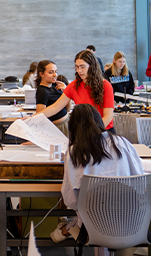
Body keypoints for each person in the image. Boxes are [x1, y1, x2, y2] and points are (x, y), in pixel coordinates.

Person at [50, 104, 144, 255]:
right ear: (99, 121)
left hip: (93, 226)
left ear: (73, 127)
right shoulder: (122, 143)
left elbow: (70, 200)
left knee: (84, 215)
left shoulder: (74, 152)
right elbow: (140, 183)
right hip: (131, 221)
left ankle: (64, 230)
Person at [28, 50, 115, 132]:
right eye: (77, 67)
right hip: (84, 132)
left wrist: (94, 132)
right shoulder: (74, 86)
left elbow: (108, 116)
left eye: (82, 67)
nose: (79, 70)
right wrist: (32, 118)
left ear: (92, 66)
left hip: (103, 130)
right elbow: (55, 107)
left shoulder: (105, 85)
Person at [35, 60, 71, 136]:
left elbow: (67, 109)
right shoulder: (42, 91)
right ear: (41, 74)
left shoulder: (56, 85)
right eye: (51, 72)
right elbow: (40, 117)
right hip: (57, 128)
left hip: (66, 123)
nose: (55, 75)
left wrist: (66, 91)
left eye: (56, 71)